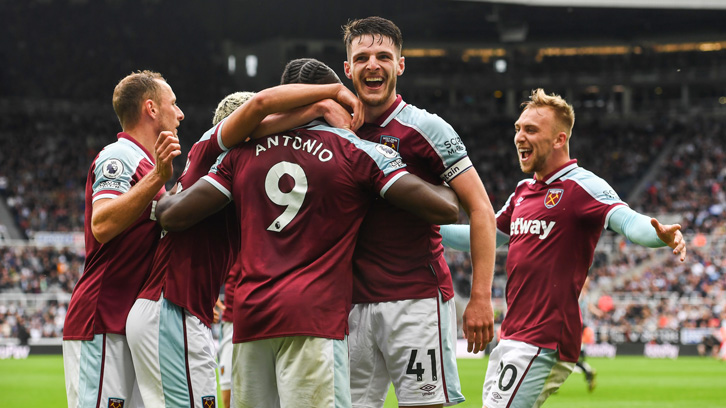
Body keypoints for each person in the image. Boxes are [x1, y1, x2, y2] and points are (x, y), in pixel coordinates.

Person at [153, 72, 462, 407]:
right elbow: (445, 209)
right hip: (314, 318)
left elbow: (172, 215)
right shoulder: (357, 151)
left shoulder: (239, 156)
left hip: (251, 317)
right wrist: (444, 181)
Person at [439, 88, 687, 408]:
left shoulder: (582, 186)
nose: (519, 137)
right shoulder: (523, 191)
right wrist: (429, 230)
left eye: (531, 130)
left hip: (545, 337)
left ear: (559, 139)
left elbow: (627, 221)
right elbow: (485, 235)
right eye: (518, 128)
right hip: (513, 333)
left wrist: (659, 236)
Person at [126, 82, 366, 408]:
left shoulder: (225, 170)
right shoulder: (214, 149)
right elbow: (260, 107)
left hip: (176, 306)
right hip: (171, 307)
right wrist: (324, 102)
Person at [340, 16, 497, 408]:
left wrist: (480, 297)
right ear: (347, 69)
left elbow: (481, 210)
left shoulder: (427, 128)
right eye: (361, 58)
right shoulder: (337, 129)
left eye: (383, 56)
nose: (372, 65)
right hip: (349, 305)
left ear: (400, 64)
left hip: (416, 302)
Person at [62, 70, 183, 408]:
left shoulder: (148, 166)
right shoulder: (120, 156)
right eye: (173, 104)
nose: (181, 113)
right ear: (151, 109)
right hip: (102, 319)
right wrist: (158, 177)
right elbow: (102, 223)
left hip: (129, 325)